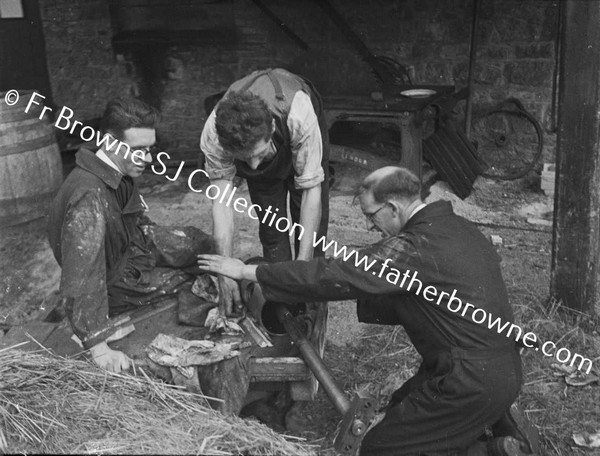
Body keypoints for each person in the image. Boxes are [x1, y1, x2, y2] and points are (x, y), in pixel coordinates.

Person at [197, 166, 540, 456]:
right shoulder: (458, 229)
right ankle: (495, 440)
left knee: (378, 447)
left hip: (468, 382)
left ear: (393, 207)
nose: (369, 226)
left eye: (370, 215)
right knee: (400, 406)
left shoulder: (415, 247)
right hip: (499, 368)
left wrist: (249, 272)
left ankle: (489, 450)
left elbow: (339, 272)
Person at [47, 96, 212, 373]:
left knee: (201, 243)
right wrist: (98, 347)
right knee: (194, 283)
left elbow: (136, 221)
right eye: (139, 150)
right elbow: (85, 274)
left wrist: (178, 246)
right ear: (110, 143)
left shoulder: (115, 169)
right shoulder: (88, 195)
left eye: (149, 149)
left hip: (133, 247)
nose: (147, 158)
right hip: (118, 280)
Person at [199, 68, 329, 316]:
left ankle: (313, 306)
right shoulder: (214, 136)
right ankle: (281, 301)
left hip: (297, 124)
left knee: (311, 237)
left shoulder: (299, 114)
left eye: (258, 154)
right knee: (272, 226)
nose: (255, 167)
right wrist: (224, 271)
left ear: (270, 129)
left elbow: (311, 193)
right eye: (244, 159)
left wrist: (302, 267)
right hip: (269, 137)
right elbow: (222, 205)